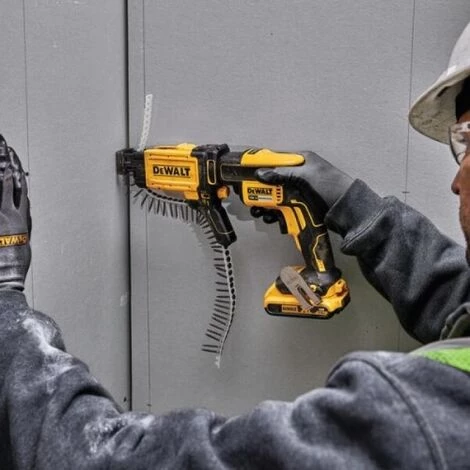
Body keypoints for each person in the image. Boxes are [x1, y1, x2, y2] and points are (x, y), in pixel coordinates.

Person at [1, 22, 470, 470]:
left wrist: (6, 302)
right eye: (460, 145)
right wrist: (355, 204)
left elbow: (97, 460)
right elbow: (456, 301)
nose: (455, 179)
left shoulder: (417, 421)